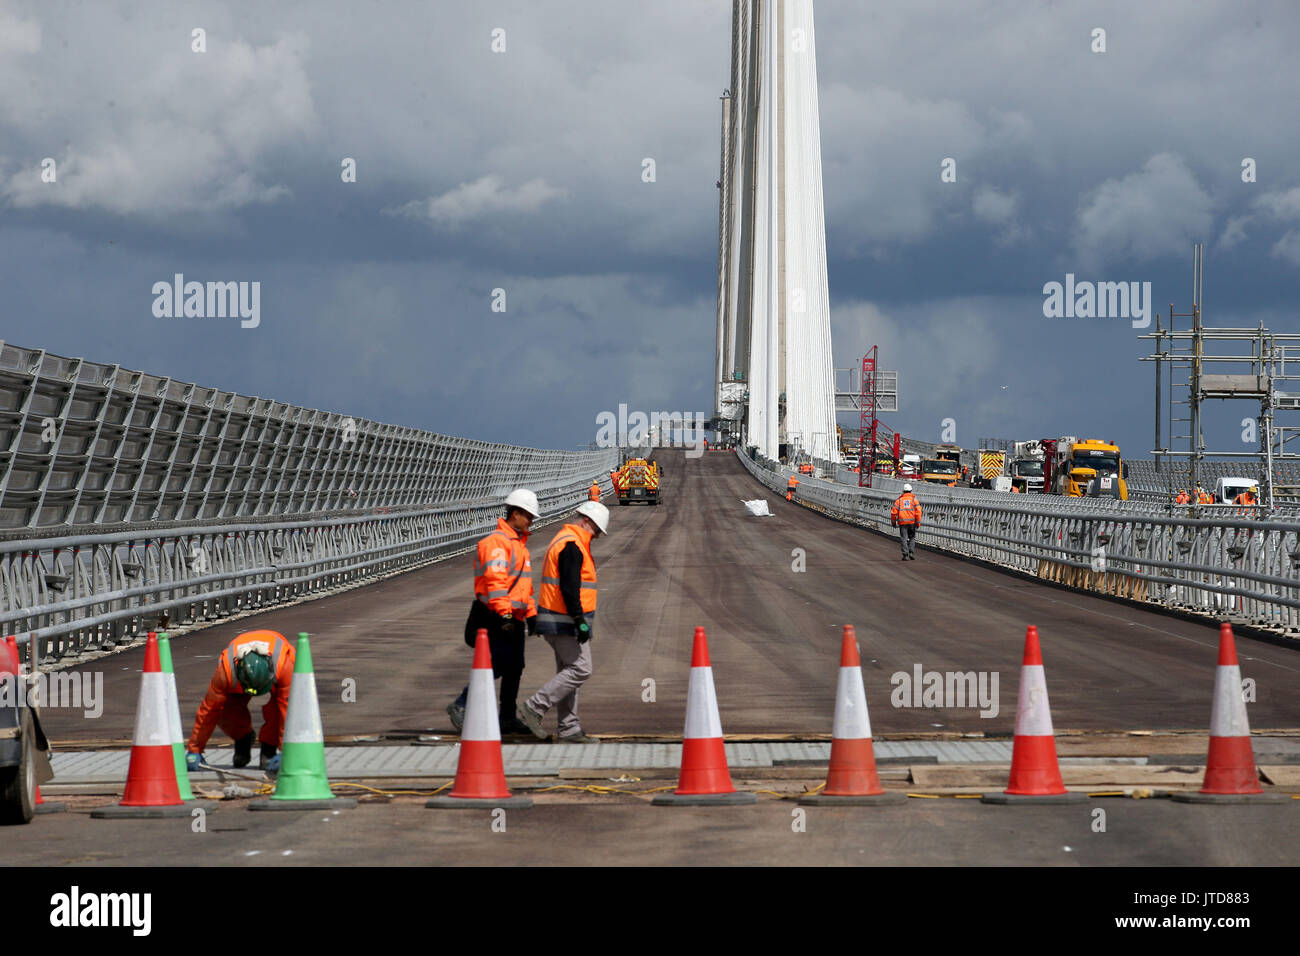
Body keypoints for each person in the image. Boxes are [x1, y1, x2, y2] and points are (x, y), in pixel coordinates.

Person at [448, 489, 540, 735]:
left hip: (514, 618)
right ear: (515, 513)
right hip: (495, 616)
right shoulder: (497, 543)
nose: (531, 521)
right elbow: (495, 581)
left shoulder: (519, 545)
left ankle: (507, 717)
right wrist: (506, 615)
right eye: (528, 516)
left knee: (515, 667)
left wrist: (530, 614)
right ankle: (462, 703)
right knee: (496, 664)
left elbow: (524, 587)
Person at [517, 501, 609, 743]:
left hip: (556, 620)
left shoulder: (565, 539)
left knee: (568, 673)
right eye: (597, 530)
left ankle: (568, 728)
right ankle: (534, 707)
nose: (597, 536)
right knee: (581, 669)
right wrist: (579, 620)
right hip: (565, 621)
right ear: (586, 522)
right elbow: (570, 588)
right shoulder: (572, 545)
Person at [186, 630, 295, 772]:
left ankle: (269, 748)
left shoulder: (285, 666)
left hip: (279, 675)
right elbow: (209, 710)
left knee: (277, 710)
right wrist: (195, 750)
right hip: (237, 681)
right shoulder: (226, 672)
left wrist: (287, 753)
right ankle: (243, 738)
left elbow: (289, 713)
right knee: (226, 709)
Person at [890, 483, 922, 561]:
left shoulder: (899, 500)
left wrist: (893, 522)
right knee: (912, 537)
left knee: (903, 538)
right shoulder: (914, 500)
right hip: (912, 522)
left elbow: (893, 512)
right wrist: (918, 522)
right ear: (911, 491)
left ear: (903, 491)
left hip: (902, 522)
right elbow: (919, 512)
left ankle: (905, 554)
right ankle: (911, 552)